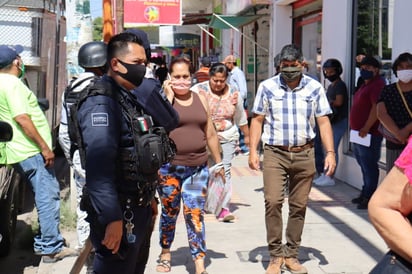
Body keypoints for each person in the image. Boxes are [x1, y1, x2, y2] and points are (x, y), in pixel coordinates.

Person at [76, 32, 178, 273]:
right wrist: (112, 218)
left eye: (145, 63)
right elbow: (99, 168)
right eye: (137, 63)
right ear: (115, 64)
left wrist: (148, 197)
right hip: (119, 214)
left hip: (137, 208)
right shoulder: (101, 103)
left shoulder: (128, 98)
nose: (143, 69)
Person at [248, 44, 336, 274]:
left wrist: (330, 153)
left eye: (293, 66)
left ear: (302, 65)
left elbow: (324, 121)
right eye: (284, 66)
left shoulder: (314, 88)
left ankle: (292, 254)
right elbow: (257, 120)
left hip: (304, 153)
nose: (288, 70)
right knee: (274, 201)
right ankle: (275, 255)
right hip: (275, 153)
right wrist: (252, 151)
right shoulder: (267, 87)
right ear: (279, 66)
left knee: (299, 206)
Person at [0, 44, 78, 262]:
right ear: (16, 62)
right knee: (48, 194)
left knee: (44, 193)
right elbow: (22, 118)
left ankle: (50, 242)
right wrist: (44, 147)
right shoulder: (12, 84)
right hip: (28, 149)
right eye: (19, 58)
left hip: (13, 148)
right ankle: (51, 247)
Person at [156, 57, 223, 274]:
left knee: (194, 213)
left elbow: (210, 132)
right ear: (170, 78)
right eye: (177, 77)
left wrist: (219, 162)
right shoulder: (163, 100)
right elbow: (158, 129)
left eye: (185, 76)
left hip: (198, 168)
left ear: (191, 76)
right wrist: (167, 98)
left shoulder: (200, 98)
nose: (182, 81)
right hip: (169, 169)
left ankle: (199, 263)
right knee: (169, 211)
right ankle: (166, 251)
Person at [126, 28, 179, 274]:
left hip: (105, 183)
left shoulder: (99, 85)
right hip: (137, 184)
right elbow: (170, 120)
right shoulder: (146, 86)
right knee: (135, 250)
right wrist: (165, 95)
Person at [59, 41, 107, 252]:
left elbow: (63, 134)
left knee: (83, 204)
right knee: (108, 202)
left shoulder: (69, 90)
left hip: (81, 157)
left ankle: (86, 250)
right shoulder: (105, 88)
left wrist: (74, 160)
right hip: (106, 157)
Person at [191, 62, 250, 222]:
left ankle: (224, 208)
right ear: (210, 78)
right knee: (205, 171)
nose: (218, 84)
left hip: (227, 137)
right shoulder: (198, 91)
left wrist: (248, 137)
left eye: (221, 81)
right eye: (215, 80)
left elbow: (240, 118)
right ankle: (201, 203)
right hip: (203, 137)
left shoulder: (234, 94)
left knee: (225, 170)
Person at [368, 134, 412, 265]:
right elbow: (383, 206)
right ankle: (365, 193)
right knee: (368, 167)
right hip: (392, 141)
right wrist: (399, 132)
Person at [349, 55, 385, 210]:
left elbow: (376, 109)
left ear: (376, 70)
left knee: (369, 165)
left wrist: (366, 127)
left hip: (368, 134)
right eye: (362, 68)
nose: (365, 70)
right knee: (363, 164)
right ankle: (365, 192)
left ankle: (370, 196)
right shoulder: (365, 84)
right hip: (359, 134)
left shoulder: (377, 85)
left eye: (369, 68)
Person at [314, 58, 349, 186]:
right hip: (332, 121)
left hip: (339, 121)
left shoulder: (340, 85)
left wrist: (328, 103)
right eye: (326, 71)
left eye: (331, 71)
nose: (329, 74)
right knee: (325, 148)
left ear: (337, 71)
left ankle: (329, 176)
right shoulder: (331, 85)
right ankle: (325, 173)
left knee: (331, 149)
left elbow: (339, 102)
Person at [377, 52, 412, 172]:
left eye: (408, 67)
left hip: (410, 142)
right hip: (394, 142)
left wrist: (406, 131)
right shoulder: (388, 90)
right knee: (394, 179)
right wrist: (398, 133)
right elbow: (381, 113)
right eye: (401, 67)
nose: (404, 70)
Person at [223, 54, 249, 155]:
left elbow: (243, 91)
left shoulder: (238, 73)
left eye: (226, 64)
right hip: (232, 101)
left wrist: (238, 101)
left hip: (239, 101)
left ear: (230, 63)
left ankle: (244, 147)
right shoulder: (231, 74)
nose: (225, 66)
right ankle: (236, 147)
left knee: (241, 124)